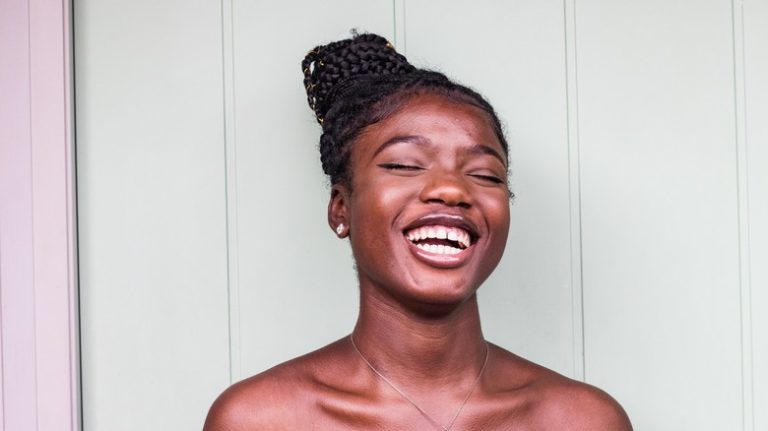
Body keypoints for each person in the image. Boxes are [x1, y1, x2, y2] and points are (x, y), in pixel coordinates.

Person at [204, 33, 632, 431]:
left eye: (485, 174)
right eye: (404, 165)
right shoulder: (260, 419)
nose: (451, 189)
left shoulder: (583, 420)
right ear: (341, 208)